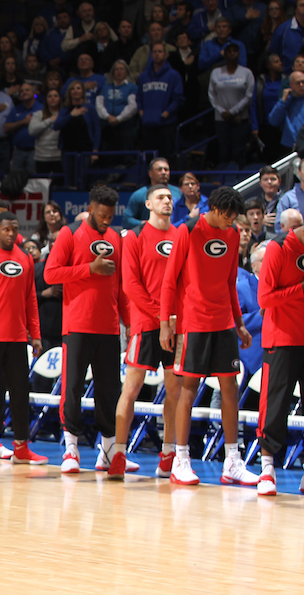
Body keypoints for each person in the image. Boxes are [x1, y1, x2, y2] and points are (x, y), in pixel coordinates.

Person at [159, 186, 257, 487]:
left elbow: (230, 282)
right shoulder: (188, 230)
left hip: (224, 322)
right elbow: (169, 280)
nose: (231, 222)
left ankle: (232, 461)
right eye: (227, 216)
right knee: (188, 388)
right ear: (213, 209)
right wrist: (165, 324)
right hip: (194, 322)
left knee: (231, 386)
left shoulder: (231, 235)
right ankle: (182, 460)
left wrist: (239, 323)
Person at [44, 185, 124, 474]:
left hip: (110, 327)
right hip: (77, 325)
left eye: (111, 216)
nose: (106, 221)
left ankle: (108, 450)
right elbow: (50, 273)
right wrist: (89, 268)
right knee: (73, 387)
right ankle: (71, 449)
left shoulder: (116, 237)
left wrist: (129, 321)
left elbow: (122, 285)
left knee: (109, 391)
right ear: (90, 209)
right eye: (102, 215)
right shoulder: (69, 234)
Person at [255, 216, 304, 497]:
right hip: (281, 339)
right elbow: (264, 299)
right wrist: (302, 287)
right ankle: (267, 468)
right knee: (275, 406)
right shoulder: (279, 247)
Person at [114, 184, 183, 479]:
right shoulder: (135, 236)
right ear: (148, 205)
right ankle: (118, 452)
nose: (167, 201)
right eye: (161, 198)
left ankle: (168, 454)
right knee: (131, 388)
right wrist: (160, 315)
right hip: (146, 324)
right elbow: (130, 284)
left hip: (177, 325)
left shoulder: (181, 234)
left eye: (169, 198)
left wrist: (173, 318)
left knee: (175, 391)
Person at [0, 211, 47, 467]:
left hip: (17, 338)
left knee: (20, 393)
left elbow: (30, 299)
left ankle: (21, 446)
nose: (11, 233)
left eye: (14, 229)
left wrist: (35, 334)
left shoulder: (25, 258)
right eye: (6, 229)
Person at [138, 43, 184, 161]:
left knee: (166, 157)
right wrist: (142, 112)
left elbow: (178, 98)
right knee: (149, 159)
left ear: (165, 54)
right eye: (155, 52)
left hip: (166, 124)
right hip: (148, 123)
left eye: (160, 52)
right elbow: (139, 98)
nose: (157, 54)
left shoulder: (173, 75)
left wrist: (166, 113)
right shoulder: (143, 76)